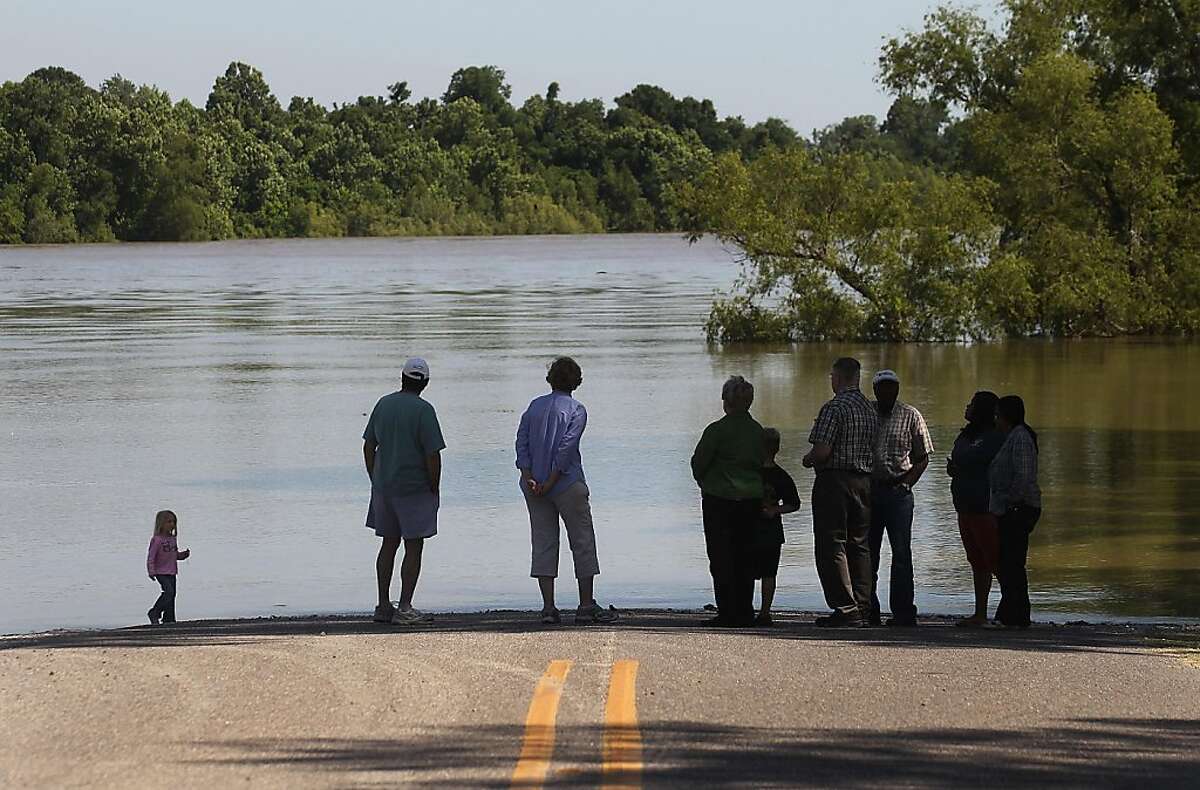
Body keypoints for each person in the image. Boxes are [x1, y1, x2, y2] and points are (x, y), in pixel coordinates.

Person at [516, 357, 617, 626]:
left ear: (550, 378)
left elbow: (521, 443)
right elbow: (566, 448)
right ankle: (585, 605)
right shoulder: (576, 410)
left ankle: (548, 607)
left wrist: (528, 476)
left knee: (543, 540)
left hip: (533, 484)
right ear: (577, 381)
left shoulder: (534, 407)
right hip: (567, 483)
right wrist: (550, 481)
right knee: (582, 540)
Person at [364, 357, 445, 625]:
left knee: (388, 543)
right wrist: (434, 486)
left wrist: (375, 477)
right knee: (413, 546)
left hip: (384, 487)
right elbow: (432, 454)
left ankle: (383, 604)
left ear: (402, 377)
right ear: (425, 383)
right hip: (414, 488)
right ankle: (406, 606)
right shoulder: (424, 410)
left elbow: (369, 446)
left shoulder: (383, 404)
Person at [803, 357, 879, 627]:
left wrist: (807, 459)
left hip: (834, 481)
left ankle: (845, 608)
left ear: (838, 377)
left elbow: (822, 451)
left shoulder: (834, 408)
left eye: (832, 376)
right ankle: (863, 605)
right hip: (864, 481)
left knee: (831, 543)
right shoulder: (870, 409)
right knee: (859, 544)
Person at [691, 376, 766, 628]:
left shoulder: (716, 430)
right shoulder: (758, 432)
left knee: (721, 557)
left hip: (719, 500)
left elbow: (698, 463)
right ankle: (745, 611)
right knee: (746, 556)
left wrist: (706, 483)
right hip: (751, 500)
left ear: (726, 402)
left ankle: (727, 612)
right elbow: (763, 466)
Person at [867, 369, 934, 627]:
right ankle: (868, 609)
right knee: (867, 553)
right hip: (870, 491)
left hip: (899, 493)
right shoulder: (865, 413)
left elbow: (923, 457)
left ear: (897, 389)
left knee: (902, 553)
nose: (887, 392)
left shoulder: (911, 415)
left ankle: (904, 612)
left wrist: (906, 484)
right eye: (882, 387)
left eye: (891, 387)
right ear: (875, 390)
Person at [947, 391, 1005, 627]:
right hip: (964, 506)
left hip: (984, 507)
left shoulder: (994, 437)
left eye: (971, 404)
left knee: (995, 560)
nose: (967, 407)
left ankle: (1014, 607)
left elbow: (990, 467)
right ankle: (980, 613)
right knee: (977, 561)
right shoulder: (966, 435)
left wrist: (965, 469)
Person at [989, 395, 1042, 629]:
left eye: (998, 414)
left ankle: (1017, 615)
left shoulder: (1020, 437)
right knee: (1009, 562)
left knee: (1013, 563)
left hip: (1018, 509)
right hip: (1011, 508)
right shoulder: (1013, 436)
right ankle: (1012, 612)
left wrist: (1010, 503)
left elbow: (1024, 475)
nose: (995, 419)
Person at [754, 428, 801, 626]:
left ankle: (763, 612)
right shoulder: (778, 474)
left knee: (765, 572)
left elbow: (794, 503)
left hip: (769, 530)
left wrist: (774, 510)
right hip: (759, 529)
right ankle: (763, 611)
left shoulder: (777, 476)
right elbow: (794, 504)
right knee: (767, 573)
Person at [146, 509, 190, 625]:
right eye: (169, 522)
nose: (172, 524)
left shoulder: (172, 539)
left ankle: (169, 618)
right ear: (161, 523)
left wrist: (183, 555)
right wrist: (151, 571)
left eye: (173, 522)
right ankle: (154, 612)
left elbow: (174, 555)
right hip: (160, 571)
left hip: (172, 571)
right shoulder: (157, 540)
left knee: (172, 595)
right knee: (168, 592)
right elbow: (151, 557)